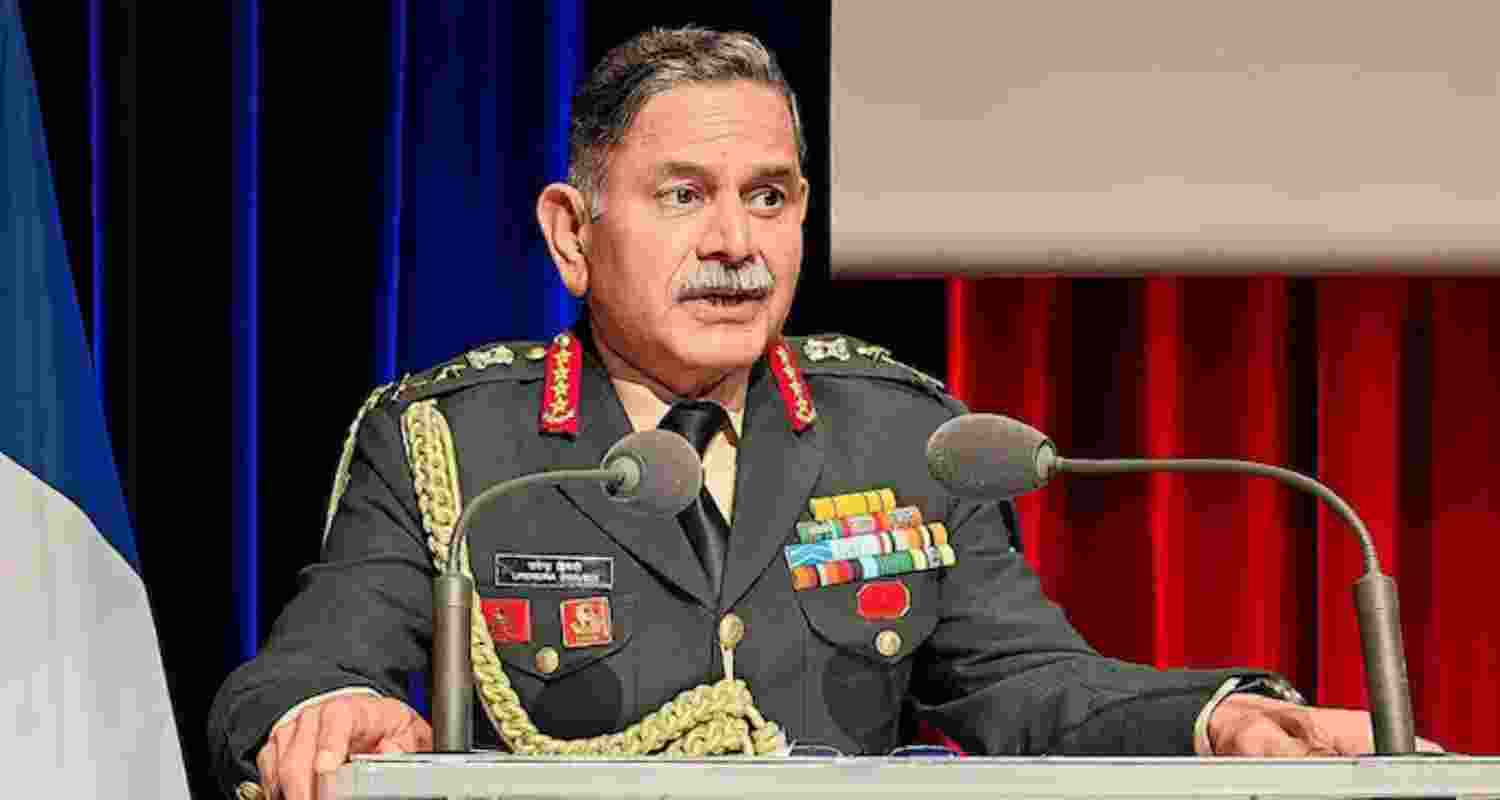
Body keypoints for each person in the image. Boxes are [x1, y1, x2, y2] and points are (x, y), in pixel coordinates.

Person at [209, 26, 1416, 800]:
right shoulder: (457, 445)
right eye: (683, 194)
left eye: (769, 196)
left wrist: (1218, 717)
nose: (734, 241)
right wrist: (325, 709)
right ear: (575, 235)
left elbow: (1029, 682)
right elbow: (302, 668)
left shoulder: (900, 432)